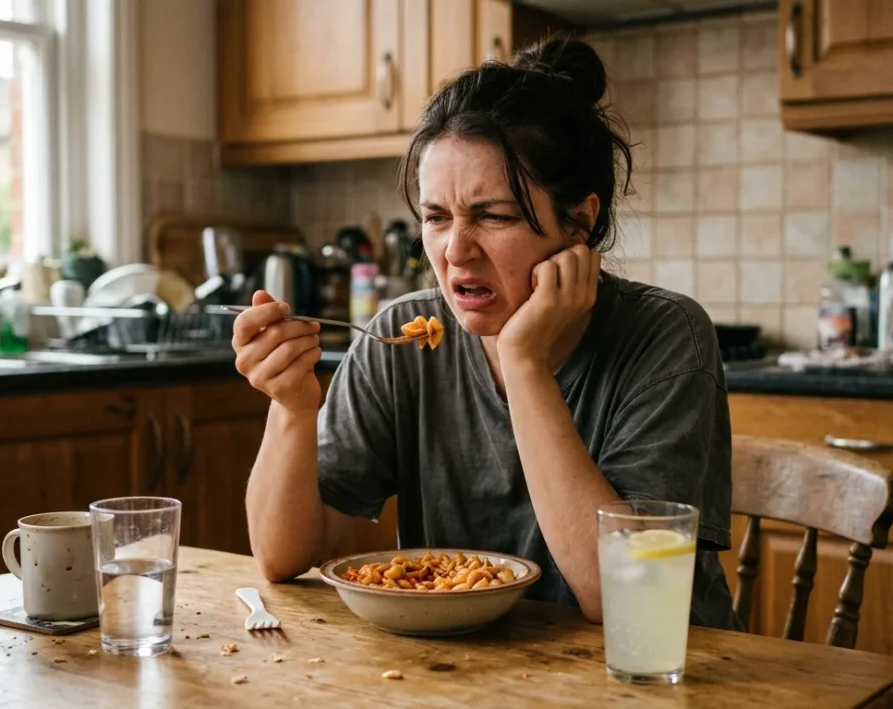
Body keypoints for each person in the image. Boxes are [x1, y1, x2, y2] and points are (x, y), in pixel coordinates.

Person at [232, 35, 740, 629]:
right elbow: (281, 556)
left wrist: (523, 361)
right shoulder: (404, 335)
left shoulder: (667, 336)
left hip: (657, 675)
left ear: (581, 221)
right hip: (465, 673)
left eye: (493, 216)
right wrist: (292, 408)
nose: (455, 252)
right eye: (436, 218)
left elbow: (625, 600)